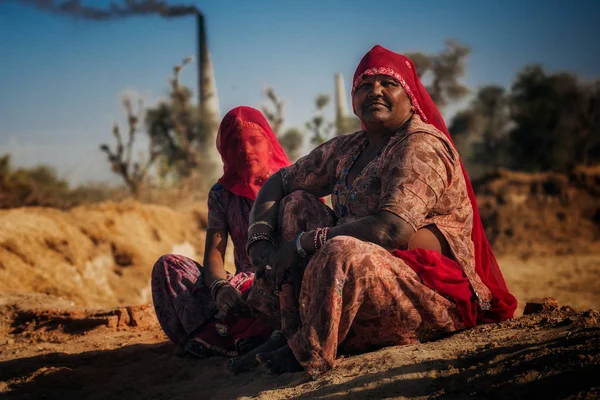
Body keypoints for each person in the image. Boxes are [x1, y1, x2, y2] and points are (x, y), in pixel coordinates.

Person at [244, 45, 518, 378]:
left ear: (410, 96)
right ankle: (290, 331)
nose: (375, 91)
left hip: (430, 289)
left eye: (388, 83)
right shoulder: (349, 147)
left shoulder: (420, 144)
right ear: (353, 98)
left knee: (340, 247)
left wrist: (303, 243)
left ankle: (310, 349)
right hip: (359, 273)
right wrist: (258, 237)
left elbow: (393, 230)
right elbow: (280, 182)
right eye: (364, 85)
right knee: (295, 205)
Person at [151, 106, 291, 358]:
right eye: (236, 143)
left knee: (259, 285)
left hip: (285, 280)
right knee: (168, 267)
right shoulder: (220, 194)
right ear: (225, 151)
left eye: (254, 141)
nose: (246, 151)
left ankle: (226, 335)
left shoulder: (292, 183)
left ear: (269, 143)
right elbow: (214, 254)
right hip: (242, 288)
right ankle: (235, 332)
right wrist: (219, 287)